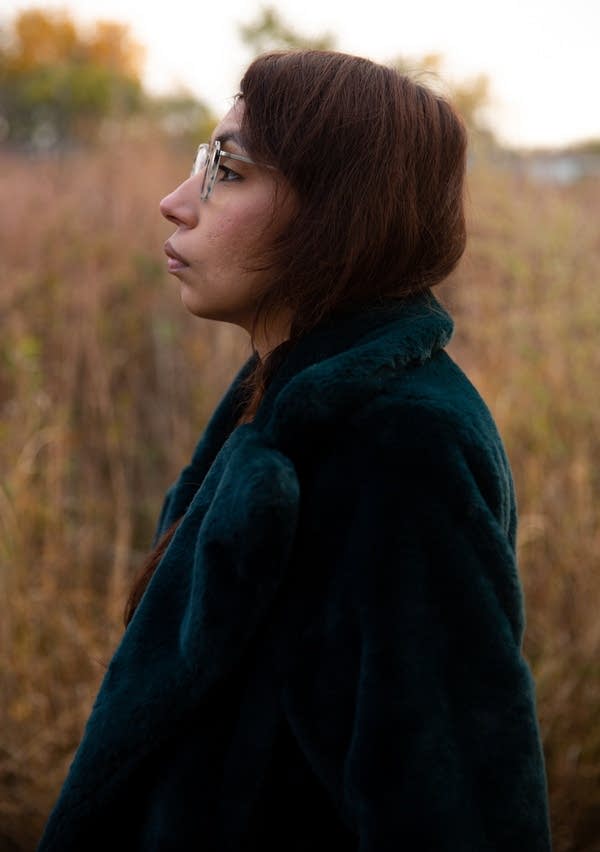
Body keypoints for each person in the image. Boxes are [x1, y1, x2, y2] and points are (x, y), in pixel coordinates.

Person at [37, 49, 552, 851]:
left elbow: (456, 804)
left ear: (340, 211)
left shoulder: (398, 444)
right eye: (202, 163)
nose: (176, 203)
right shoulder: (292, 392)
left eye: (227, 172)